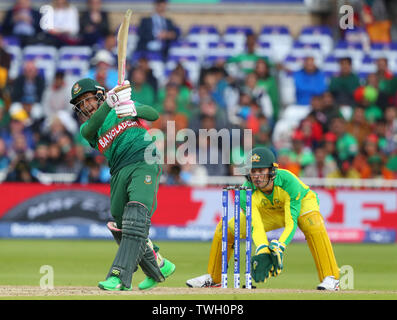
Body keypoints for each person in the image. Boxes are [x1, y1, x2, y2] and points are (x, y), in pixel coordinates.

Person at [69, 77, 175, 291]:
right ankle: (159, 265)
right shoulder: (88, 129)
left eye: (88, 100)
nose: (86, 106)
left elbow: (153, 115)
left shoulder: (121, 108)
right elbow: (91, 130)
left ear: (98, 95)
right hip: (118, 169)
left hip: (144, 159)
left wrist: (131, 106)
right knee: (121, 223)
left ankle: (119, 277)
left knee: (136, 216)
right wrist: (109, 103)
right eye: (81, 104)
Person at [186, 146, 340, 290]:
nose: (256, 176)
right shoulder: (245, 191)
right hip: (269, 211)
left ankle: (331, 278)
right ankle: (213, 278)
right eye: (253, 171)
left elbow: (291, 221)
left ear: (272, 170)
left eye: (261, 170)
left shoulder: (288, 181)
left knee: (311, 223)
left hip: (302, 204)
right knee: (226, 227)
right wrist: (263, 250)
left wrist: (281, 245)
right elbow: (255, 225)